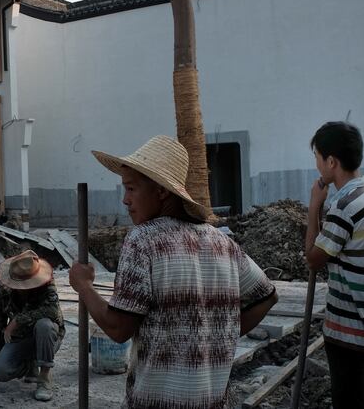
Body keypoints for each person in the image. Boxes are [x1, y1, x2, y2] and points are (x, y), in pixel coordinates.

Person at [69, 135, 278, 409]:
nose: (125, 200)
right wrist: (216, 337)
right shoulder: (221, 241)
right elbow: (267, 296)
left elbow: (118, 328)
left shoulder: (143, 240)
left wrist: (84, 286)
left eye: (131, 189)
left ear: (161, 191)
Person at [305, 121, 364, 409]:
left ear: (331, 161)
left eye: (317, 157)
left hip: (348, 328)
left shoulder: (344, 207)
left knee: (350, 401)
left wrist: (314, 205)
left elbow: (313, 258)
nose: (316, 165)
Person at [0, 250, 64, 402]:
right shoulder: (3, 290)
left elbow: (52, 310)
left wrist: (17, 320)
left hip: (48, 336)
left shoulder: (47, 283)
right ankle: (30, 364)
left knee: (44, 325)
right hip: (21, 337)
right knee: (1, 372)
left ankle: (44, 377)